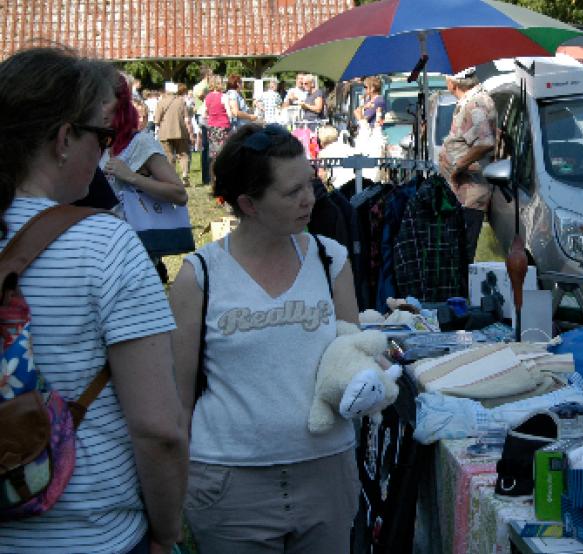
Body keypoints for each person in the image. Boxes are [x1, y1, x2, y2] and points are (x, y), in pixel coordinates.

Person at [0, 46, 188, 554]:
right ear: (64, 139)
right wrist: (168, 533)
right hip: (91, 532)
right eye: (102, 137)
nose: (105, 154)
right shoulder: (106, 245)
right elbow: (158, 429)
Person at [169, 123, 378, 553]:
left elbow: (349, 354)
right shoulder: (200, 275)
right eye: (291, 192)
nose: (309, 199)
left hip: (325, 474)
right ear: (249, 203)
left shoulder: (329, 258)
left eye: (310, 183)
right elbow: (178, 394)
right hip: (229, 484)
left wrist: (371, 376)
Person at [103, 74, 189, 283]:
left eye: (104, 101)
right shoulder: (90, 143)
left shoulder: (140, 143)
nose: (96, 108)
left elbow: (179, 194)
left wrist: (131, 177)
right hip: (100, 250)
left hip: (136, 252)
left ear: (120, 104)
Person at [439, 67, 497, 263]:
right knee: (460, 250)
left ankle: (462, 292)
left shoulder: (474, 105)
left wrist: (457, 168)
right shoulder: (472, 101)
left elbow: (485, 142)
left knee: (462, 253)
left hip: (469, 194)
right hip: (464, 192)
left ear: (452, 83)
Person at [155, 82, 192, 186]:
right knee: (183, 154)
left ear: (166, 91)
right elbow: (187, 119)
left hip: (165, 132)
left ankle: (172, 178)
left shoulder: (161, 102)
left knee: (169, 156)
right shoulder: (181, 101)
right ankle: (185, 175)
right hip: (180, 131)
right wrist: (190, 132)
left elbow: (157, 120)